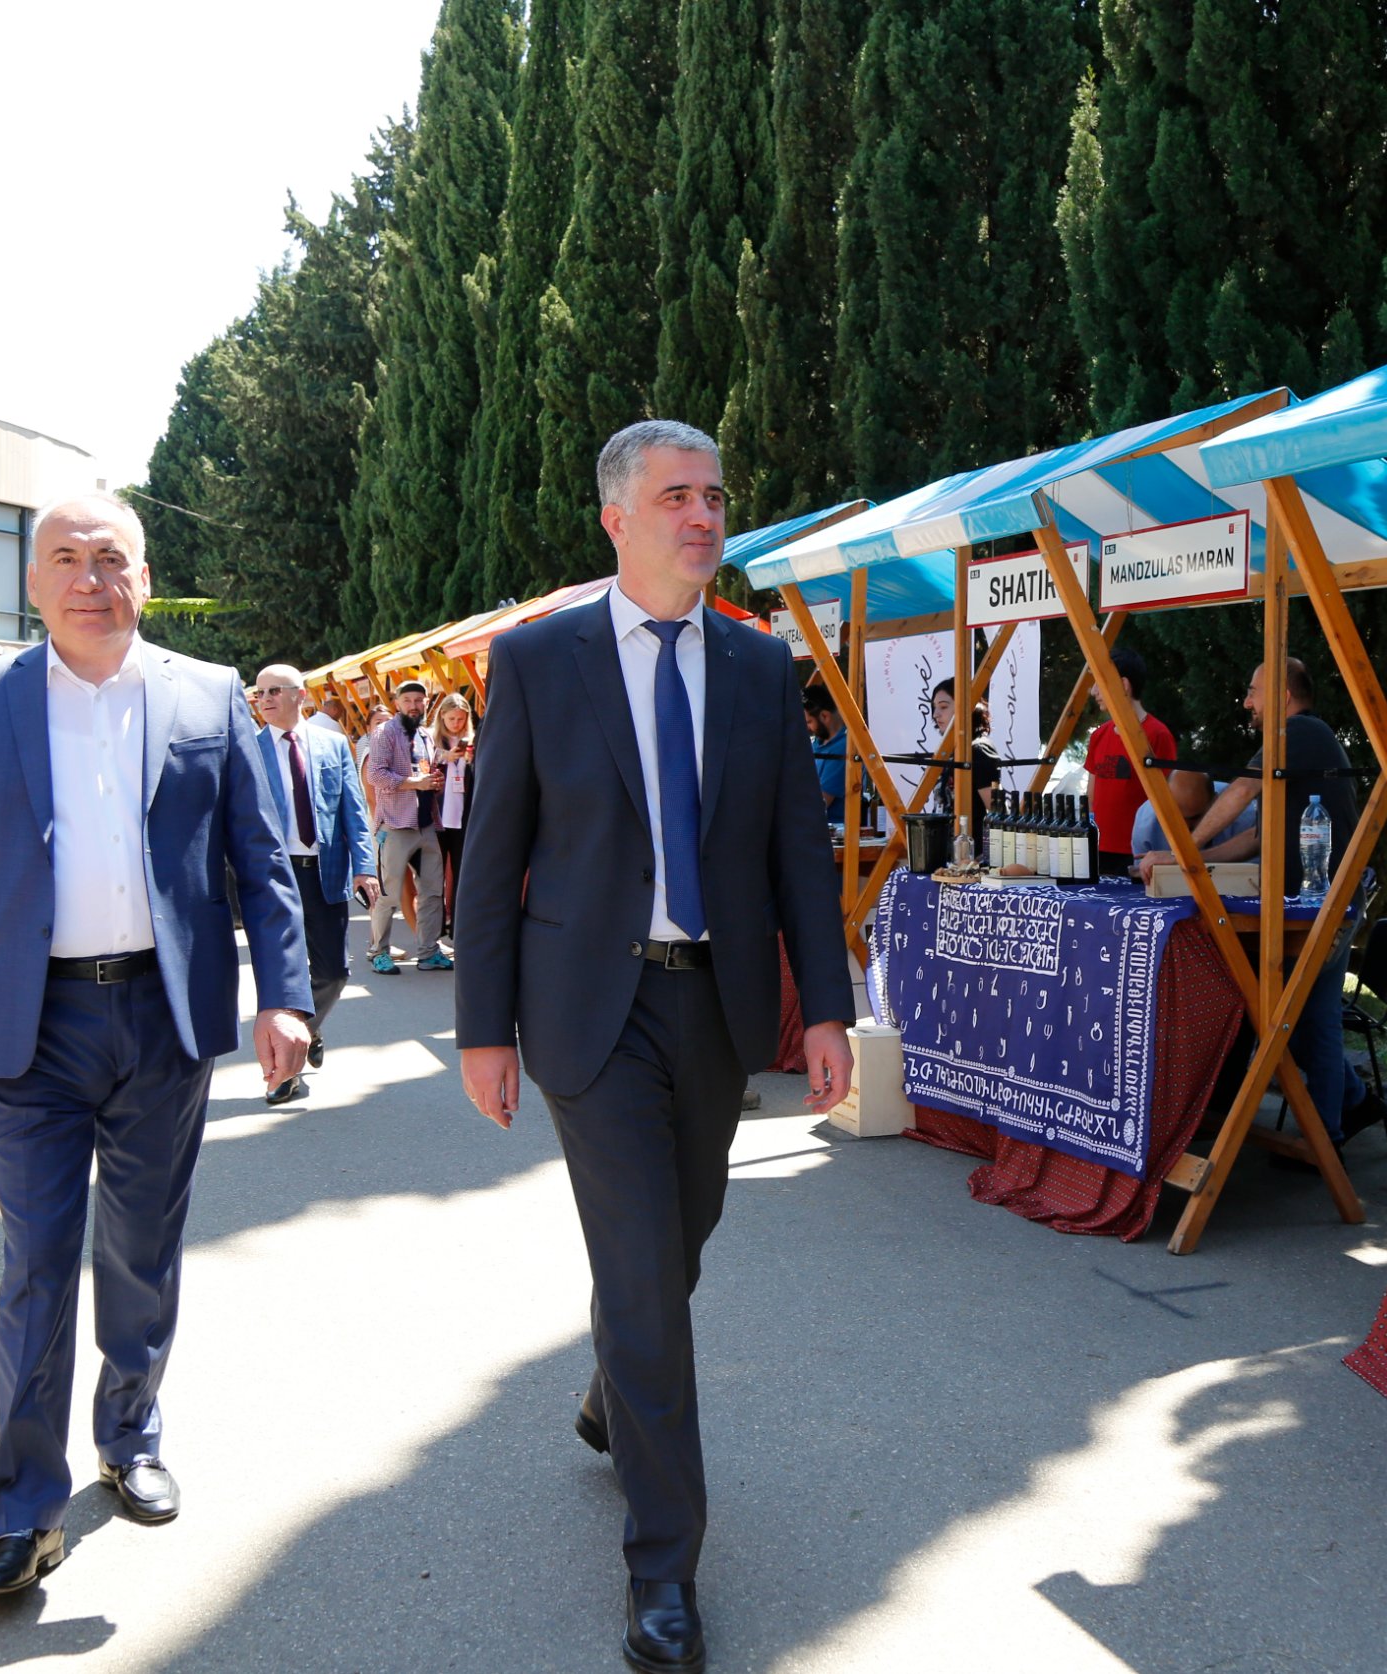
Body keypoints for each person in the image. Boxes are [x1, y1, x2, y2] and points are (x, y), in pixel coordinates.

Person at [456, 419, 854, 1674]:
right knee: (640, 1271)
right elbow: (493, 853)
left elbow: (796, 852)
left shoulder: (757, 666)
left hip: (715, 1006)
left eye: (715, 496)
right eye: (677, 495)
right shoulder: (537, 660)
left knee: (678, 1243)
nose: (703, 516)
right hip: (590, 1010)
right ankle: (664, 1566)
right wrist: (481, 1029)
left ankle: (607, 1394)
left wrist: (827, 1008)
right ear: (616, 518)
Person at [0, 492, 312, 1594]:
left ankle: (129, 1436)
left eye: (111, 558)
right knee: (36, 1262)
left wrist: (286, 998)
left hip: (164, 1019)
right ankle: (24, 1510)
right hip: (33, 1024)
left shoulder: (208, 694)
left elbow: (260, 860)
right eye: (65, 558)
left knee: (140, 1250)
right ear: (34, 583)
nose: (89, 578)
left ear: (145, 578)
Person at [1138, 658, 1384, 1145]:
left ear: (1282, 695)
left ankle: (1325, 1140)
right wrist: (1191, 860)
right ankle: (1353, 1104)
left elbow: (1243, 789)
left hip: (1324, 904)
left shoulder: (1301, 732)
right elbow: (1255, 837)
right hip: (1303, 904)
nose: (1247, 702)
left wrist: (1181, 852)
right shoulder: (1296, 744)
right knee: (1294, 1016)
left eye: (1253, 691)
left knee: (1311, 1020)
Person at [252, 663, 379, 1104]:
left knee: (333, 972)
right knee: (281, 977)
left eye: (274, 691)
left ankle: (308, 1027)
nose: (265, 699)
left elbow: (353, 811)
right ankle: (285, 1075)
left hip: (324, 872)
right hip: (274, 876)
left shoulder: (332, 744)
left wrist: (365, 867)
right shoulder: (249, 749)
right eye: (259, 693)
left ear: (300, 695)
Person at [365, 680, 452, 973]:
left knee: (432, 893)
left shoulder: (426, 735)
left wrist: (435, 781)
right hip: (395, 825)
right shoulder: (384, 733)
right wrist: (415, 783)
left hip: (426, 825)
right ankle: (379, 952)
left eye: (419, 700)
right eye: (408, 700)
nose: (414, 706)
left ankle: (428, 952)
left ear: (426, 703)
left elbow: (427, 774)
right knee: (389, 893)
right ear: (397, 704)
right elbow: (376, 776)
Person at [1085, 644, 1178, 875]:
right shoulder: (1098, 735)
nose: (1093, 691)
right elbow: (1091, 796)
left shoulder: (1158, 734)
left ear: (1124, 685)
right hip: (1097, 849)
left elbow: (1168, 799)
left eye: (1099, 682)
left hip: (1138, 854)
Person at [929, 677, 1001, 843]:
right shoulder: (950, 751)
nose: (935, 714)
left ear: (966, 707)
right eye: (934, 707)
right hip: (945, 849)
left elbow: (998, 813)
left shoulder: (978, 750)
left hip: (971, 851)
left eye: (943, 707)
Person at [1130, 769, 1258, 857]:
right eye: (1177, 818)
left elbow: (1254, 877)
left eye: (1195, 818)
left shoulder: (1248, 818)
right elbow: (1143, 879)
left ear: (1216, 802)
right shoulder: (1146, 824)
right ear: (1163, 804)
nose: (1185, 827)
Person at [429, 692, 475, 938]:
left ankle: (458, 926)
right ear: (442, 717)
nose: (456, 724)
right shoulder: (431, 740)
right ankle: (435, 928)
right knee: (435, 875)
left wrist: (471, 759)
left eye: (460, 719)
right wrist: (443, 757)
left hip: (463, 818)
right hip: (437, 817)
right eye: (451, 719)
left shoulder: (472, 741)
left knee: (461, 873)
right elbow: (420, 765)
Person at [801, 684, 847, 816]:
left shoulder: (843, 748)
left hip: (830, 826)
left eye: (809, 722)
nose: (806, 728)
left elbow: (819, 803)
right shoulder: (817, 742)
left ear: (825, 716)